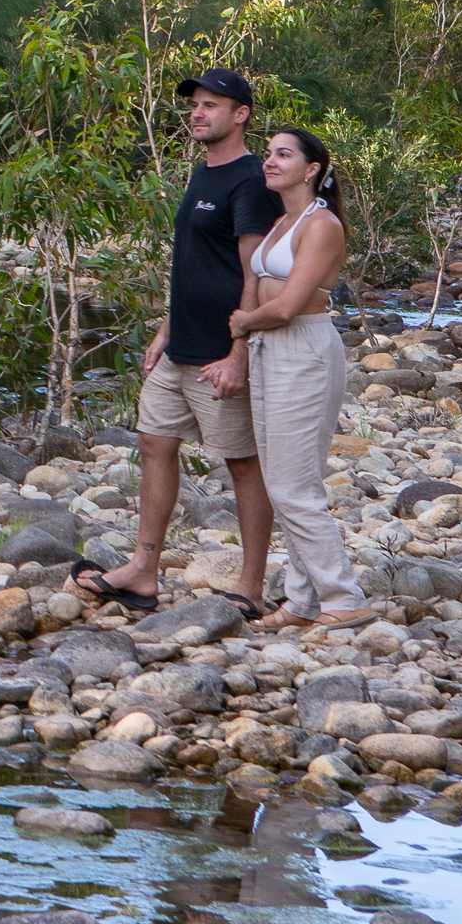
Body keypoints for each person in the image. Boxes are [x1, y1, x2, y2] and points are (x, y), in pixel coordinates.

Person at [74, 68, 279, 619]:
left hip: (221, 352)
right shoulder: (201, 173)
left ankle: (251, 586)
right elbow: (192, 263)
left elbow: (254, 273)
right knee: (153, 444)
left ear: (241, 114)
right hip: (181, 346)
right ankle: (143, 572)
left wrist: (239, 352)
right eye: (195, 104)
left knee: (242, 464)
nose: (197, 113)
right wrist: (166, 329)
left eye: (211, 105)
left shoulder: (250, 182)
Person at [229, 126, 372, 625]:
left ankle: (343, 598)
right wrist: (247, 336)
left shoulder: (322, 224)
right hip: (269, 350)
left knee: (294, 485)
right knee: (279, 481)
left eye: (283, 155)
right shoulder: (281, 222)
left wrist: (243, 323)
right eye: (268, 153)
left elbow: (289, 305)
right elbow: (256, 281)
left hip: (303, 349)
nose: (269, 161)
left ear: (311, 169)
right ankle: (303, 599)